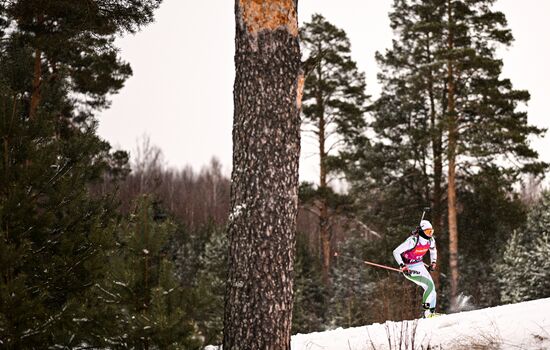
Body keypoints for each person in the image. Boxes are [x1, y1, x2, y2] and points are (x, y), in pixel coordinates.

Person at [393, 219, 438, 318]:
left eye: (432, 231)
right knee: (429, 285)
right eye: (427, 231)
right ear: (422, 231)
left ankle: (431, 312)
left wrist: (433, 262)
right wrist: (402, 266)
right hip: (409, 269)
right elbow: (396, 252)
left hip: (420, 265)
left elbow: (433, 251)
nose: (430, 234)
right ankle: (426, 312)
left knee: (432, 289)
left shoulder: (430, 240)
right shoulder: (413, 241)